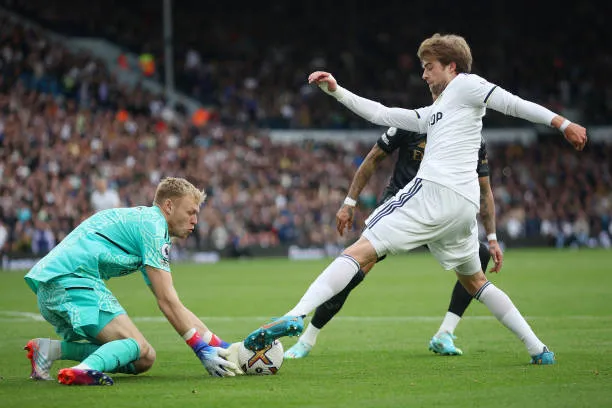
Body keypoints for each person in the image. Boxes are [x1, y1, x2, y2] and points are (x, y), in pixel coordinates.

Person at [243, 33, 587, 365]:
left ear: (452, 67)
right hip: (462, 207)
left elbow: (513, 104)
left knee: (358, 251)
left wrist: (562, 123)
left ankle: (295, 315)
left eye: (429, 66)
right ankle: (538, 348)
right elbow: (381, 113)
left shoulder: (466, 85)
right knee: (475, 281)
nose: (424, 74)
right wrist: (337, 91)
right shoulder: (434, 113)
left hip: (434, 192)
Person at [284, 126, 501, 359]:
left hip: (438, 211)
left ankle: (444, 333)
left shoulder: (469, 135)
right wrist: (349, 202)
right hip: (400, 209)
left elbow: (484, 188)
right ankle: (308, 338)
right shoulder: (413, 122)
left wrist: (492, 238)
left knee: (480, 255)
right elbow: (374, 157)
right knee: (356, 268)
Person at [24, 177, 242, 386]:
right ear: (168, 206)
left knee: (143, 358)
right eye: (190, 212)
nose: (195, 220)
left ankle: (49, 350)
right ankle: (83, 369)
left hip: (52, 284)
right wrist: (200, 349)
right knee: (135, 345)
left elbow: (172, 302)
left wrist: (221, 346)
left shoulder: (147, 223)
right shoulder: (154, 228)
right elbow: (167, 301)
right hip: (72, 278)